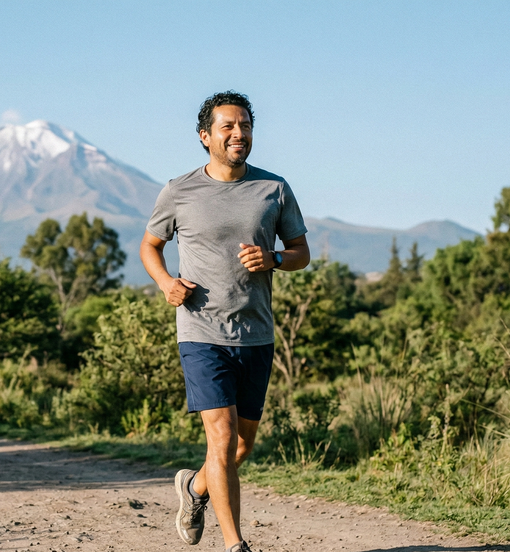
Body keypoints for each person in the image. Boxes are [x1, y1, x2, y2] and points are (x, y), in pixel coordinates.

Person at [141, 91, 310, 552]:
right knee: (221, 438)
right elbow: (150, 246)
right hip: (201, 332)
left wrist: (274, 258)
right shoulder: (180, 190)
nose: (239, 134)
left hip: (255, 333)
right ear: (205, 136)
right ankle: (236, 546)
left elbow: (301, 254)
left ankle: (194, 488)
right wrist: (165, 283)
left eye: (246, 126)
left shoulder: (274, 188)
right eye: (228, 127)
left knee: (240, 448)